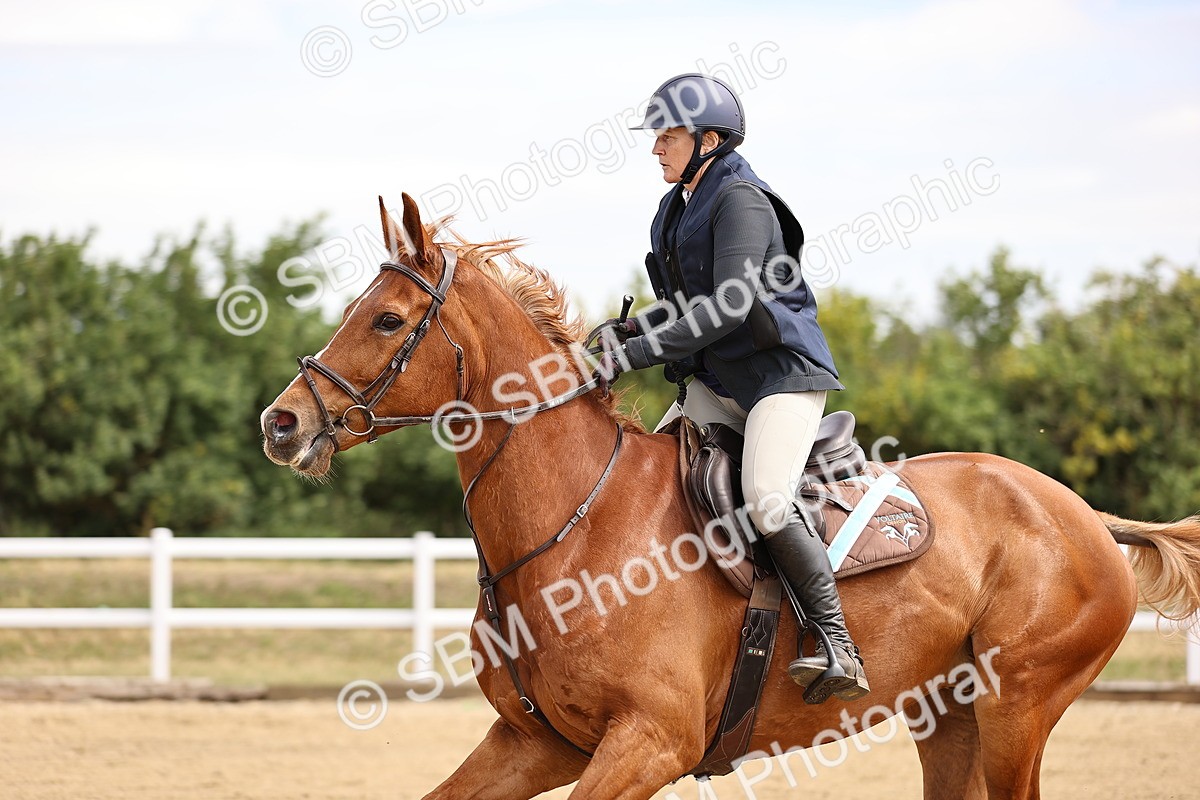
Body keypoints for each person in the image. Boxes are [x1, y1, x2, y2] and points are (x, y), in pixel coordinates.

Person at [595, 73, 869, 703]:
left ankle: (836, 644)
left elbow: (728, 308)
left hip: (777, 381)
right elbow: (685, 308)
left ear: (709, 139)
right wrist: (626, 330)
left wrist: (635, 353)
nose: (656, 148)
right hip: (716, 383)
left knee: (767, 499)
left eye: (668, 136)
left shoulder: (741, 199)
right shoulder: (674, 209)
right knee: (639, 484)